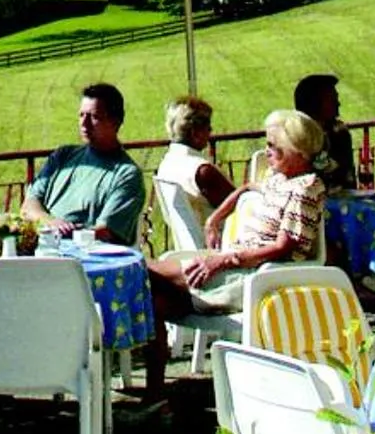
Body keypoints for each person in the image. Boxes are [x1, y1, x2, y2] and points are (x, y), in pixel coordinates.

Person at [139, 108, 329, 393]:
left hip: (253, 275)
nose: (267, 152)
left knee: (143, 274)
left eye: (273, 146)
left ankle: (152, 391)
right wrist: (215, 220)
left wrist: (223, 259)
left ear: (297, 151)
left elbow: (282, 246)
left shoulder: (305, 189)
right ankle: (155, 394)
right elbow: (248, 188)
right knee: (151, 295)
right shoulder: (280, 179)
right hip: (235, 264)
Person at [23, 82, 146, 245]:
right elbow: (29, 205)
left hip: (80, 258)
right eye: (81, 115)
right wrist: (51, 223)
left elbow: (105, 232)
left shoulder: (126, 175)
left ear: (115, 122)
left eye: (94, 117)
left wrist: (68, 232)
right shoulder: (63, 157)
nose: (84, 123)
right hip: (41, 247)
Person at [154, 95, 236, 226]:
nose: (211, 132)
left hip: (189, 243)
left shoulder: (166, 165)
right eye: (208, 127)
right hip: (221, 242)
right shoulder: (202, 171)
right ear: (195, 133)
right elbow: (243, 207)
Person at [294, 73, 357, 192]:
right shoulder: (295, 136)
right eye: (332, 99)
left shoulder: (339, 132)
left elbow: (344, 175)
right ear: (314, 103)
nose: (338, 103)